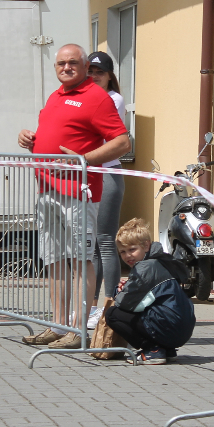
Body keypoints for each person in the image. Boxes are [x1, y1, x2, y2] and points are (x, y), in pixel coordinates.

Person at [17, 44, 130, 349]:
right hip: (47, 189)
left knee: (81, 260)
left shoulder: (96, 97)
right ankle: (58, 325)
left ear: (84, 66)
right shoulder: (56, 96)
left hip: (78, 192)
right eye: (61, 64)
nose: (66, 68)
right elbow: (55, 135)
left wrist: (86, 159)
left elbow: (122, 142)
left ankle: (78, 329)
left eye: (72, 63)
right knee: (53, 260)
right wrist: (31, 140)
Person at [105, 218, 195, 364]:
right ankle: (167, 349)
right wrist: (129, 287)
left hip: (170, 327)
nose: (127, 255)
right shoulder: (161, 260)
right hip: (183, 328)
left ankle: (153, 349)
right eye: (122, 252)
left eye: (132, 249)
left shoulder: (145, 268)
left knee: (113, 314)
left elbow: (127, 304)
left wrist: (119, 292)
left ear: (146, 246)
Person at [85, 51, 128, 330]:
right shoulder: (91, 97)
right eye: (90, 71)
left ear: (110, 76)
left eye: (99, 72)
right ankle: (92, 308)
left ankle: (111, 305)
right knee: (97, 248)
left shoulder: (113, 99)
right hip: (93, 173)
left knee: (106, 242)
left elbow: (99, 134)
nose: (94, 76)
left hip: (108, 173)